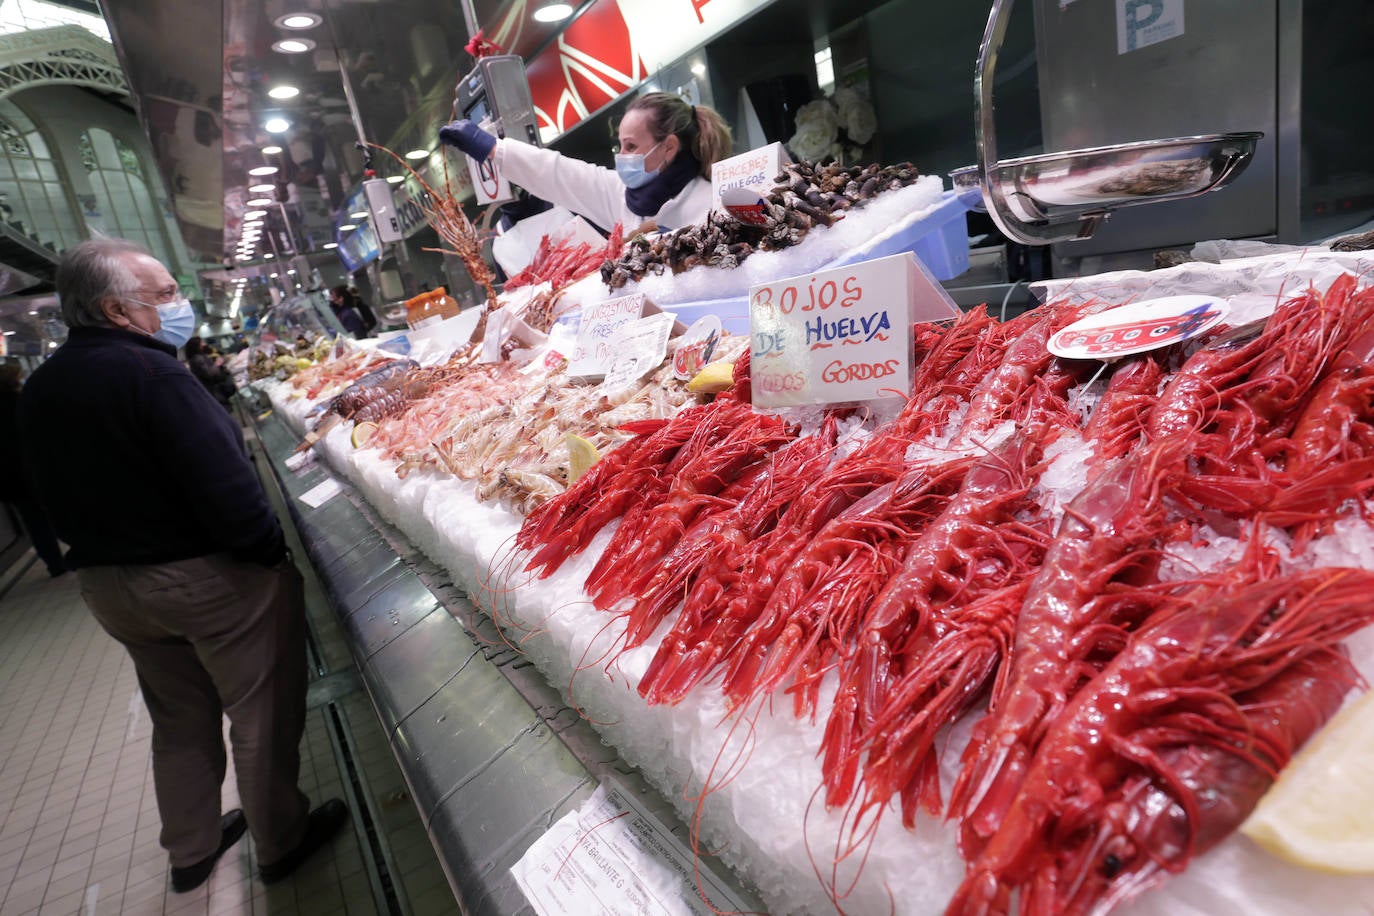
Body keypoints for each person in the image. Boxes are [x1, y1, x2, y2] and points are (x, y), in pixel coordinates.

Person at [17, 239, 347, 893]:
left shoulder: (42, 386)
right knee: (260, 712)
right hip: (204, 580)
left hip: (109, 587)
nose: (179, 305)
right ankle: (282, 839)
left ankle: (191, 849)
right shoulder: (155, 374)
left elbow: (40, 494)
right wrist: (266, 557)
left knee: (177, 716)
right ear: (115, 308)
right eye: (165, 295)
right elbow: (223, 485)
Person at [440, 91, 733, 234]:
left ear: (668, 146)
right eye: (620, 145)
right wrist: (492, 148)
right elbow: (560, 173)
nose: (621, 156)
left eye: (631, 146)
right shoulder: (620, 196)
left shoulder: (712, 202)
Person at [0, 361, 65, 577]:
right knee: (58, 511)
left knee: (34, 522)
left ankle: (54, 563)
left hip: (11, 478)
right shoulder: (23, 402)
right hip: (37, 469)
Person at [185, 336, 237, 408]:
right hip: (212, 390)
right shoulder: (197, 359)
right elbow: (208, 373)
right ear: (197, 346)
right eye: (202, 342)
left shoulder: (198, 357)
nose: (204, 344)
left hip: (212, 390)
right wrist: (217, 364)